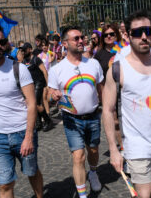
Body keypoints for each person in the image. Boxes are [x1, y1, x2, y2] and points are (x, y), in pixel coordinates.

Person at [102, 10, 151, 198]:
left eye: (147, 31)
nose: (144, 37)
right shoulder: (118, 69)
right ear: (127, 35)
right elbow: (108, 111)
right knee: (144, 193)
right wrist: (113, 149)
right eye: (137, 32)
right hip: (136, 143)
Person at [0, 23, 43, 198]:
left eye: (2, 41)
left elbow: (31, 103)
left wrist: (29, 137)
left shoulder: (19, 69)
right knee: (5, 184)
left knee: (32, 172)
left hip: (22, 133)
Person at [48, 26, 104, 198]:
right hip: (72, 119)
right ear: (65, 43)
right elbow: (50, 92)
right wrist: (54, 95)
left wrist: (108, 110)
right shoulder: (56, 69)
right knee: (78, 156)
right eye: (76, 39)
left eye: (82, 37)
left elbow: (101, 89)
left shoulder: (93, 63)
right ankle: (82, 195)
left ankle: (93, 172)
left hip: (93, 116)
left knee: (93, 151)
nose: (81, 41)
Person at [22, 42, 52, 132]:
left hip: (39, 82)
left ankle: (47, 120)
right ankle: (38, 123)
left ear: (30, 49)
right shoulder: (24, 61)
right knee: (35, 103)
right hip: (31, 84)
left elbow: (44, 72)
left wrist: (47, 85)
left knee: (35, 103)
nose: (23, 51)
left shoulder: (36, 59)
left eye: (25, 49)